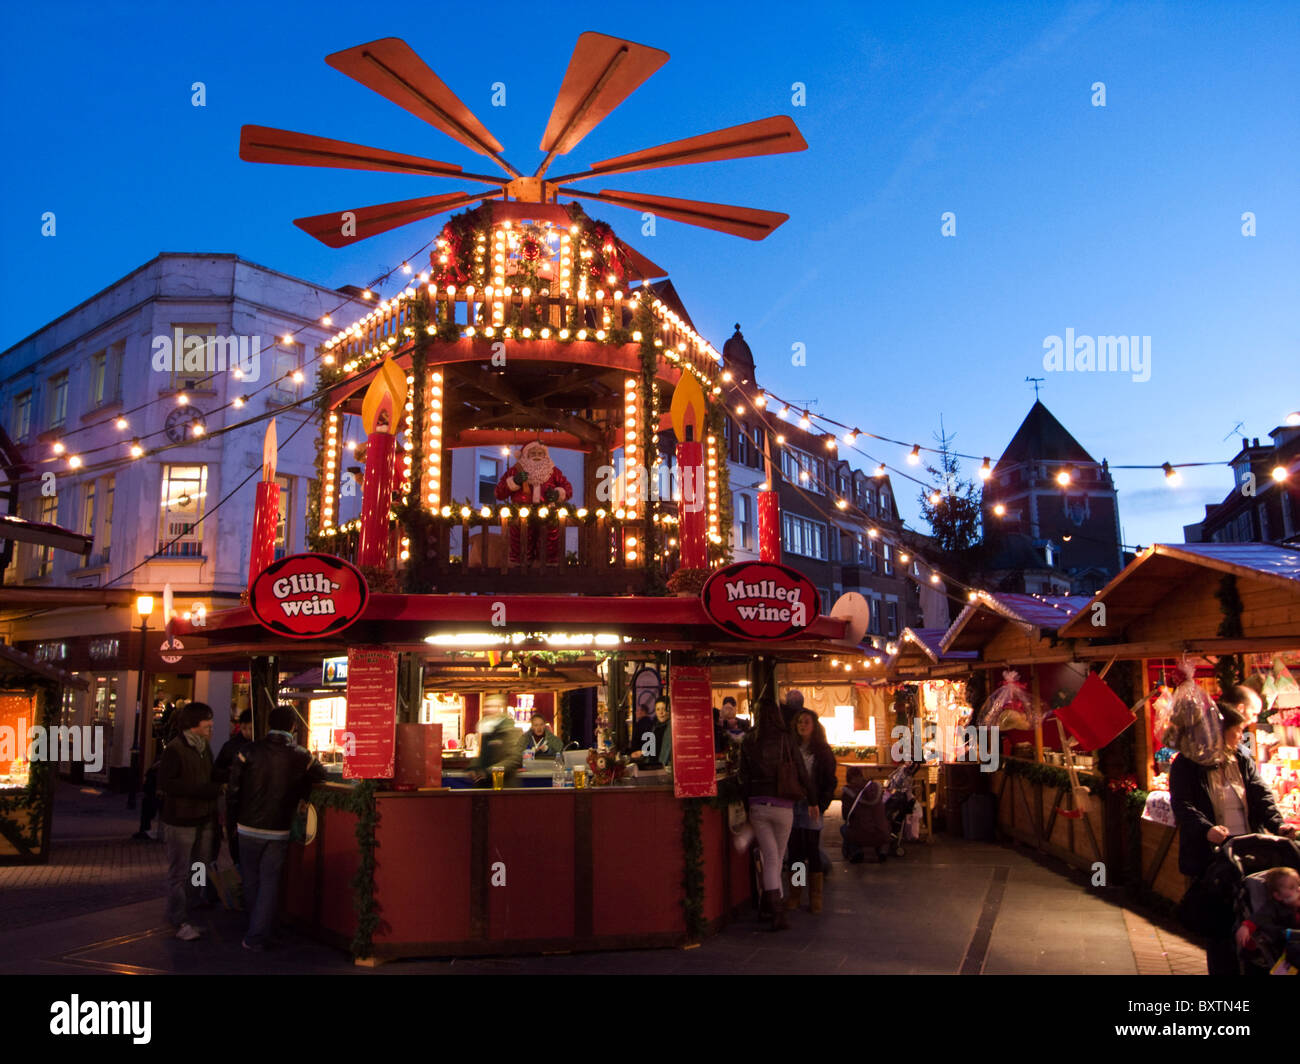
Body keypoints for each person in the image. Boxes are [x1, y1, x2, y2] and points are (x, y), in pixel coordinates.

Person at [1169, 702, 1296, 975]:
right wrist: (1207, 829)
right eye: (1237, 730)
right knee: (1220, 928)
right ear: (1218, 731)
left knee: (1253, 919)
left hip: (1248, 852)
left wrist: (1278, 825)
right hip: (1211, 857)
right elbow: (1182, 805)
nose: (1241, 735)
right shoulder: (1186, 764)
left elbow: (1261, 795)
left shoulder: (1240, 758)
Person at [227, 705, 327, 951]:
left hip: (246, 826)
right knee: (270, 883)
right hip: (278, 828)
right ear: (293, 726)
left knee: (251, 880)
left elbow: (233, 791)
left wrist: (231, 822)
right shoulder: (301, 755)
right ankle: (256, 935)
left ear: (268, 723)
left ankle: (255, 928)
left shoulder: (248, 751)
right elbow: (322, 774)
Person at [741, 699, 813, 931]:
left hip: (758, 805)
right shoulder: (786, 738)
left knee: (770, 858)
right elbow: (801, 770)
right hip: (783, 805)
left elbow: (743, 777)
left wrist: (746, 807)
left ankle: (768, 905)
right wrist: (812, 799)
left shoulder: (749, 739)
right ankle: (777, 912)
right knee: (775, 858)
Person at [159, 701, 220, 941]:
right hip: (181, 819)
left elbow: (211, 773)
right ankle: (178, 917)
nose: (210, 728)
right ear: (193, 726)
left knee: (198, 867)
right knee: (180, 871)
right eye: (207, 724)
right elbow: (167, 783)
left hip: (203, 817)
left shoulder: (205, 747)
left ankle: (192, 908)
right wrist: (204, 790)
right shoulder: (175, 749)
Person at [785, 708, 838, 913]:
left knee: (812, 849)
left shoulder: (823, 752)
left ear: (814, 726)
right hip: (794, 805)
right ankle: (796, 893)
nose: (802, 725)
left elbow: (829, 781)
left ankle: (815, 896)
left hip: (813, 806)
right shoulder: (791, 749)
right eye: (799, 722)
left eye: (806, 722)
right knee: (795, 851)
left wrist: (822, 804)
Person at [1235, 867, 1300, 971]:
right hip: (1287, 944)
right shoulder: (1274, 908)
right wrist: (1245, 927)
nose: (1298, 889)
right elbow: (1258, 917)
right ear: (1278, 896)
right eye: (1292, 887)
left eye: (1298, 885)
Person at [213, 709, 253, 868]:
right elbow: (216, 770)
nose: (247, 732)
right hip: (235, 800)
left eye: (250, 728)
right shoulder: (231, 746)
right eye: (244, 728)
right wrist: (230, 773)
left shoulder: (259, 745)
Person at [468, 704, 524, 786]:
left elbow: (514, 760)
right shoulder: (487, 730)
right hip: (485, 784)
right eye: (486, 707)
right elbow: (482, 755)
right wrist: (473, 767)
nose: (487, 710)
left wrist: (488, 771)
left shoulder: (511, 731)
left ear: (499, 709)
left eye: (491, 706)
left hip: (504, 786)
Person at [630, 698, 672, 768]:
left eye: (664, 709)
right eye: (658, 709)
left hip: (665, 770)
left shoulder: (672, 728)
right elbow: (652, 750)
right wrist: (642, 753)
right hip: (653, 768)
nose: (661, 712)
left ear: (670, 710)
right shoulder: (654, 727)